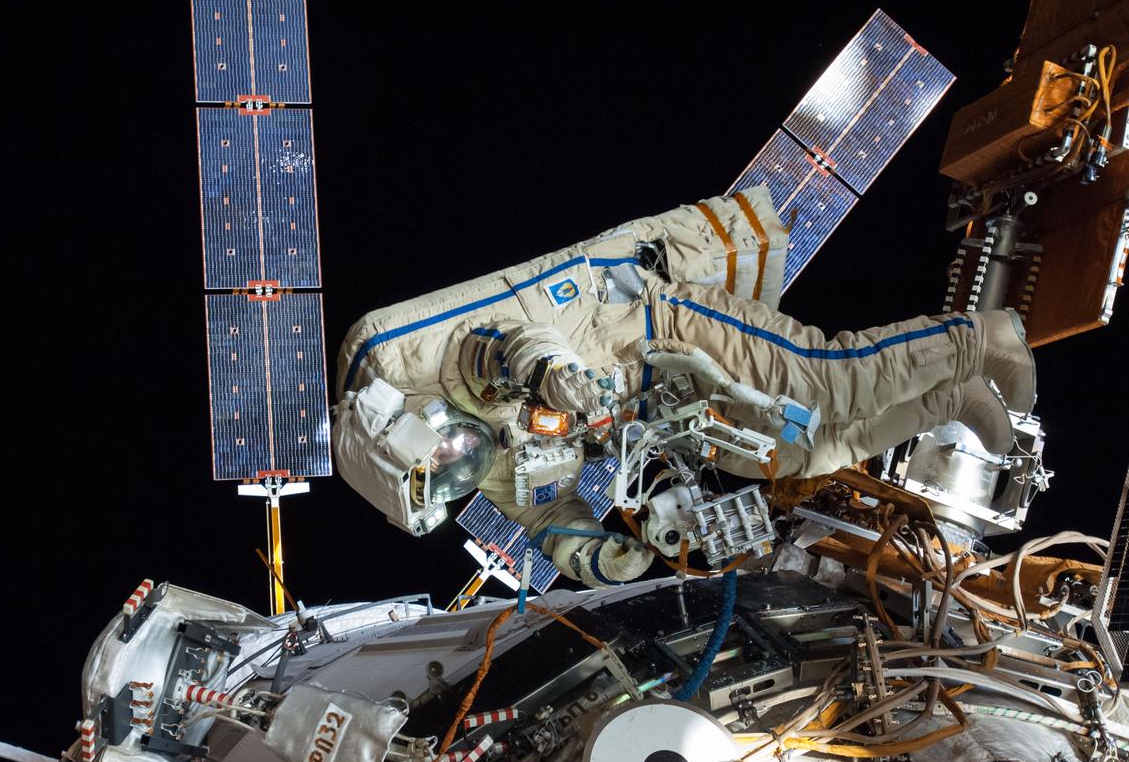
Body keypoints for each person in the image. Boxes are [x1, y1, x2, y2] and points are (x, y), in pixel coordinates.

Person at [333, 187, 1035, 587]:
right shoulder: (476, 464)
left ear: (418, 421)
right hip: (660, 402)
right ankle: (947, 398)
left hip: (655, 321)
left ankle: (982, 338)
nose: (466, 460)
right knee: (801, 452)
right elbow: (545, 513)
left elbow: (504, 337)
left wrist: (550, 374)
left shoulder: (413, 360)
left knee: (825, 381)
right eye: (456, 477)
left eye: (452, 450)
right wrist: (593, 555)